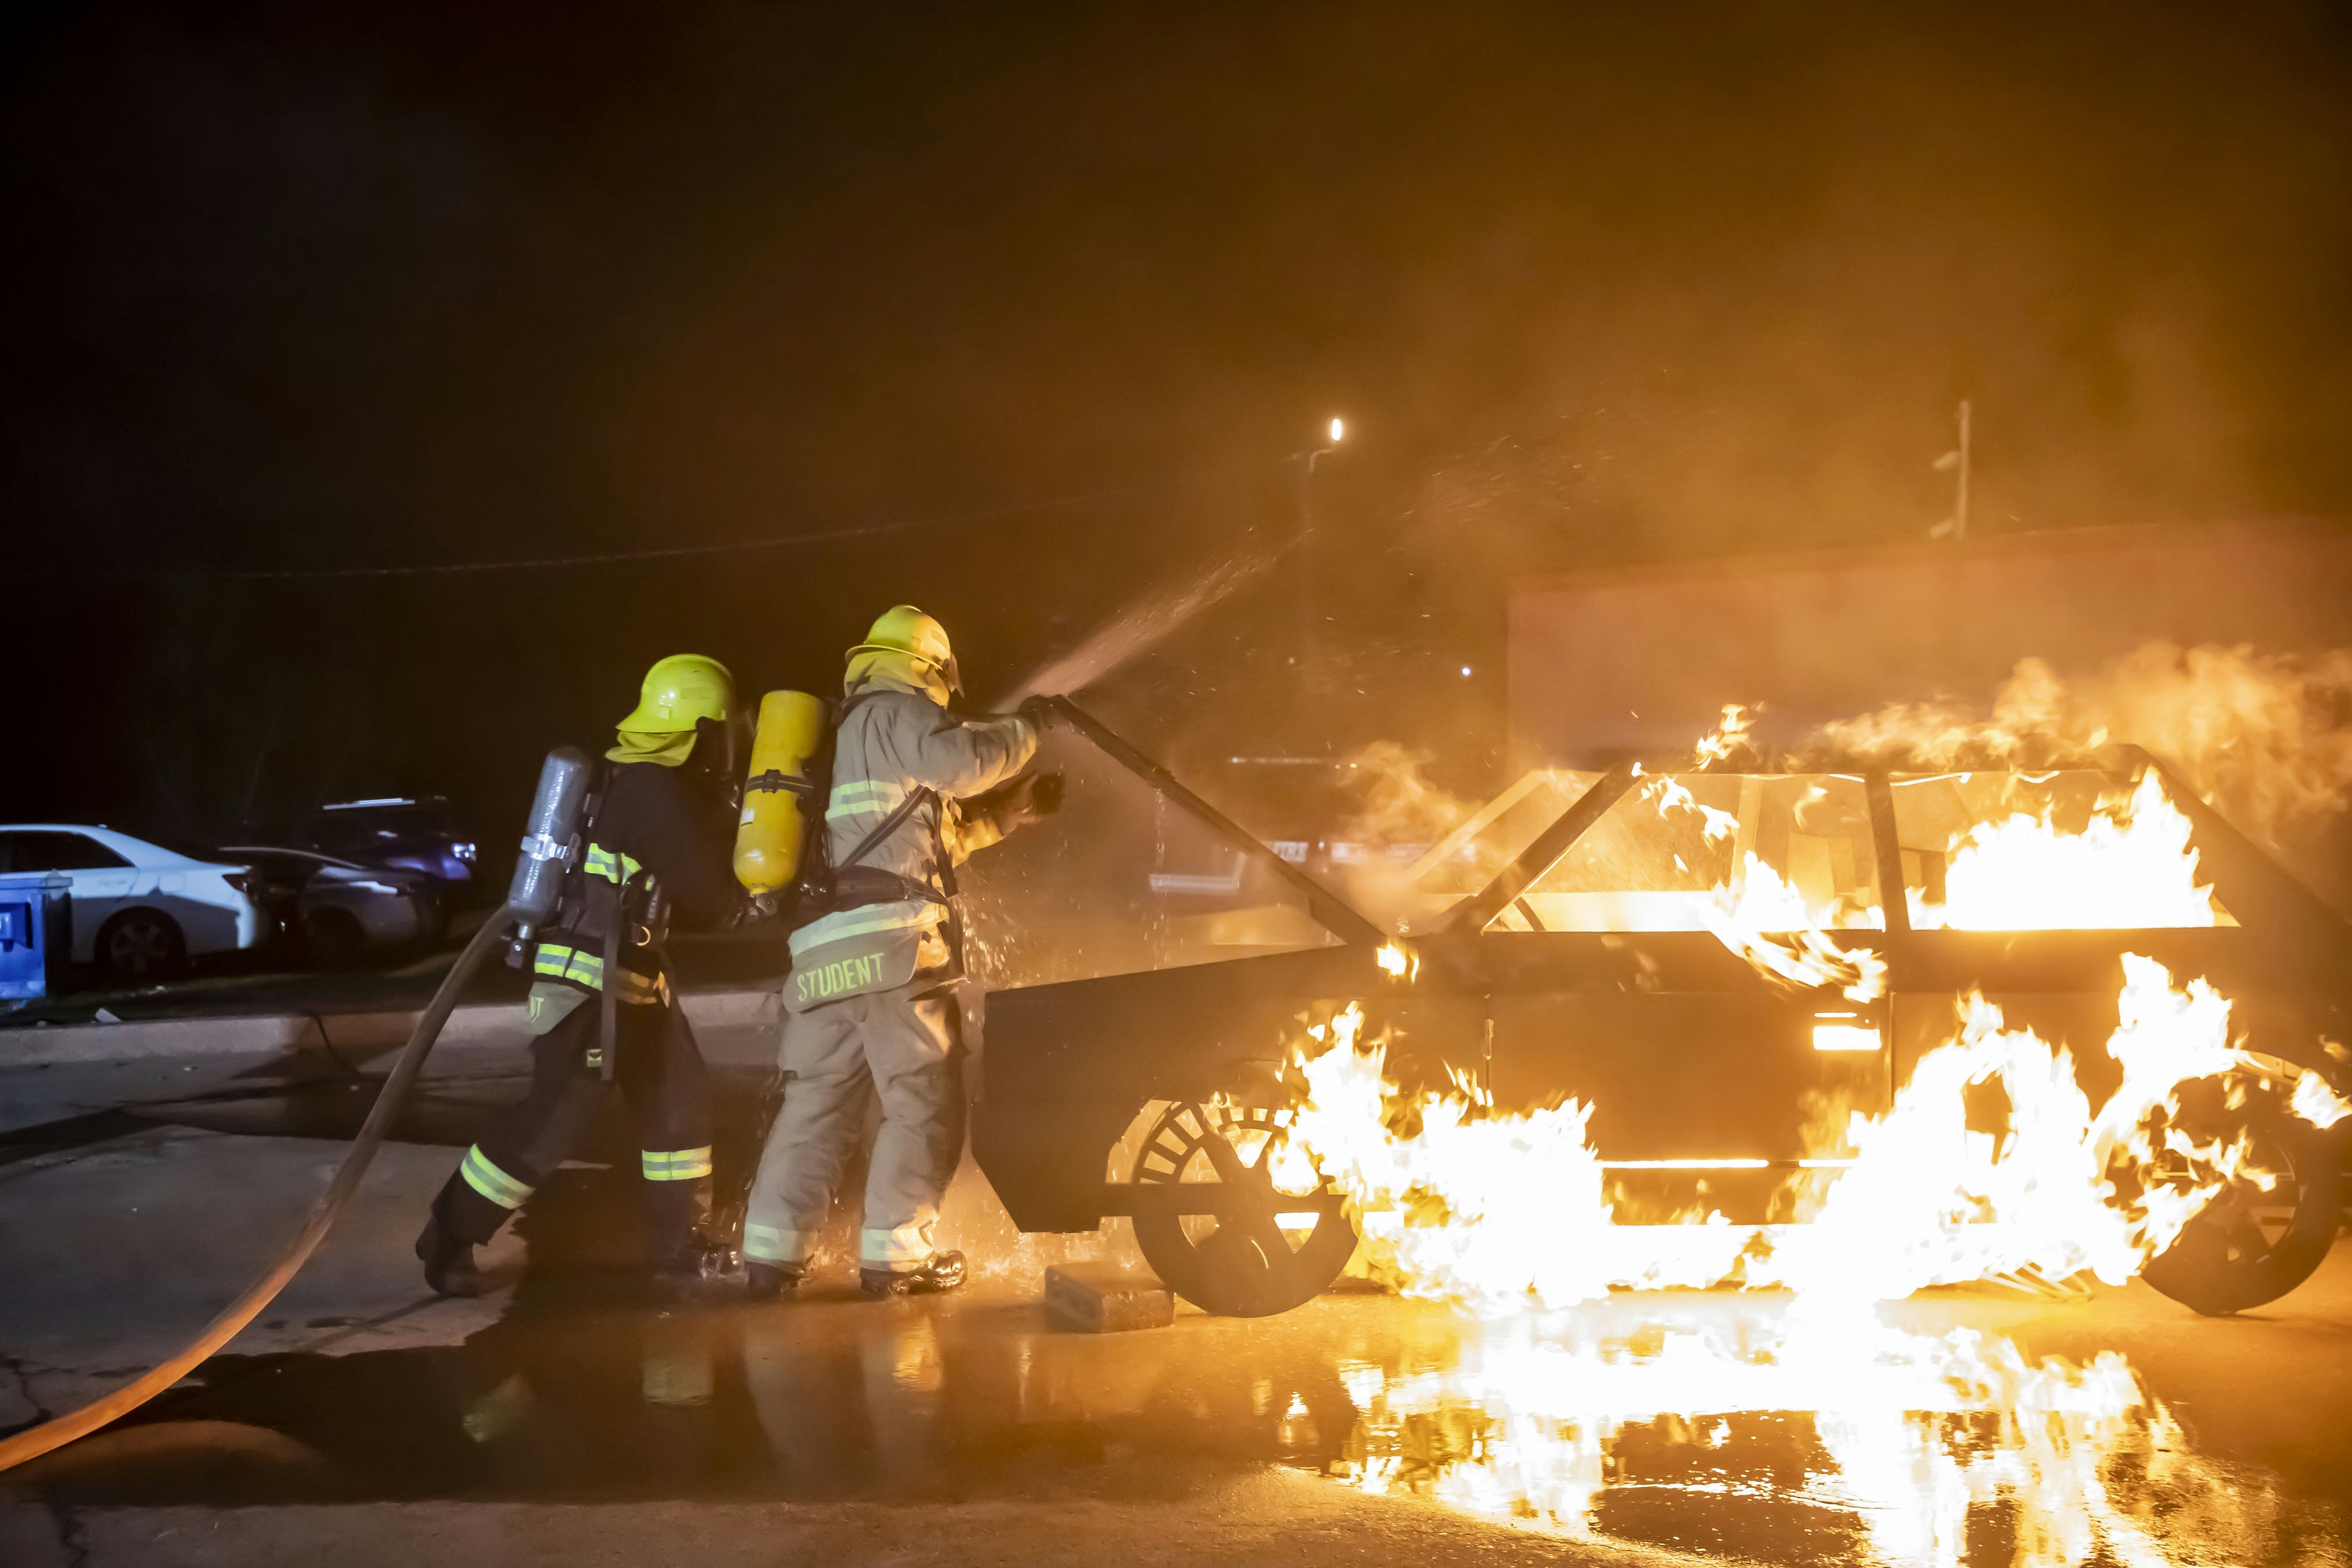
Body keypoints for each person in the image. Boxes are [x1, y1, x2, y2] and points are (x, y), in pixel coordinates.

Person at [742, 606, 1059, 1299]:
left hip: (821, 953)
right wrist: (1030, 728)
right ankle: (899, 1258)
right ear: (933, 669)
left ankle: (770, 1257)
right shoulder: (897, 711)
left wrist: (1007, 818)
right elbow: (966, 763)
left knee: (814, 1106)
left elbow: (917, 847)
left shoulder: (840, 736)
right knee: (921, 1102)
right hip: (890, 945)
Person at [416, 654, 746, 1299]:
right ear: (698, 729)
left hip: (635, 979)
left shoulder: (649, 781)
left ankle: (680, 1248)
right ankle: (449, 1233)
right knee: (554, 1123)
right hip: (588, 979)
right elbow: (706, 890)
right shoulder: (652, 788)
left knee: (678, 1108)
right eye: (722, 729)